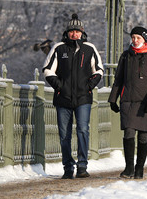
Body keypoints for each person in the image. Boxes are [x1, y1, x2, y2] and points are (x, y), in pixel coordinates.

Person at [43, 13, 103, 179]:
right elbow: (47, 70)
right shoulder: (59, 48)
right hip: (63, 99)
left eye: (77, 31)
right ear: (67, 32)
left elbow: (99, 70)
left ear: (82, 32)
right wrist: (60, 87)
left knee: (83, 130)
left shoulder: (89, 48)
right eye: (72, 31)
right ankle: (68, 167)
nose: (74, 34)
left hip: (83, 98)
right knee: (64, 135)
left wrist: (89, 86)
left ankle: (82, 166)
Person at [109, 26, 147, 179]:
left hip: (145, 102)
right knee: (128, 133)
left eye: (138, 38)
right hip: (128, 102)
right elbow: (118, 79)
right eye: (133, 37)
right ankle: (129, 168)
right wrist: (113, 99)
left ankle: (140, 168)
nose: (135, 40)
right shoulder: (126, 56)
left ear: (144, 39)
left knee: (143, 137)